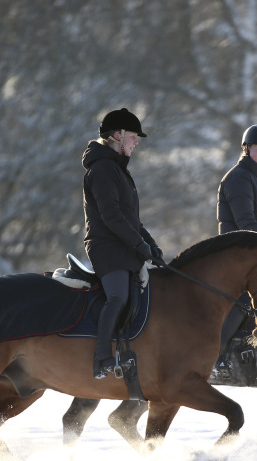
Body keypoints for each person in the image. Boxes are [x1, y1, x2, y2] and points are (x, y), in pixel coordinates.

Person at [82, 108, 164, 379]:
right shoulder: (103, 169)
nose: (136, 142)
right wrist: (139, 245)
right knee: (117, 297)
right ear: (117, 135)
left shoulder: (117, 169)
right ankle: (101, 359)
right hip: (106, 247)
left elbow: (133, 221)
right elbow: (111, 216)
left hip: (123, 245)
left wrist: (151, 245)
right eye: (133, 136)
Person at [215, 124, 257, 352]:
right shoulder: (238, 178)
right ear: (246, 147)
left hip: (252, 254)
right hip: (236, 253)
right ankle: (218, 353)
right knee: (245, 300)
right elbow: (246, 224)